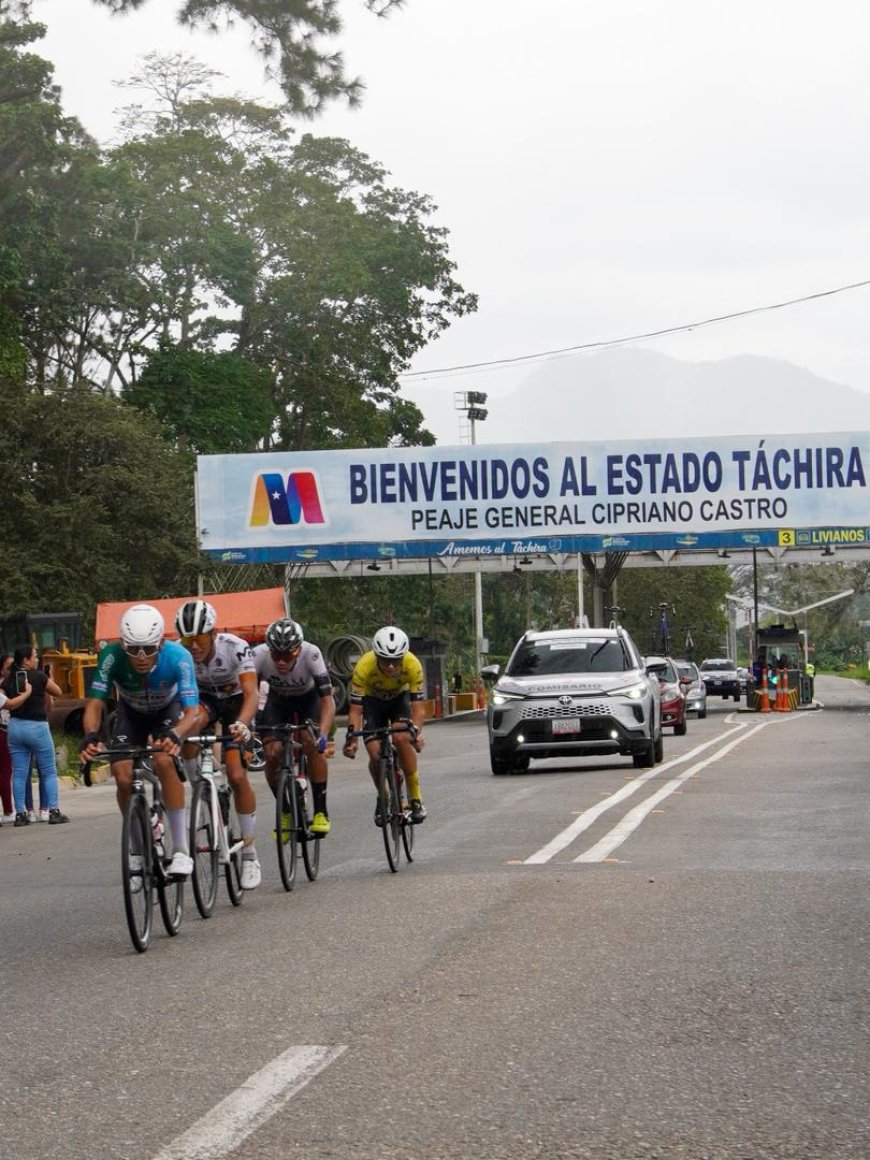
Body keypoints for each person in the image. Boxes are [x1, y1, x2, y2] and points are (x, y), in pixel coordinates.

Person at [79, 604, 200, 878]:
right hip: (130, 713)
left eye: (148, 649)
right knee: (122, 775)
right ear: (123, 645)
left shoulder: (178, 656)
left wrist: (176, 733)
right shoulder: (111, 656)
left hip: (166, 712)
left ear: (160, 642)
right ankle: (137, 848)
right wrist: (90, 735)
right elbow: (95, 703)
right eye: (133, 649)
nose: (141, 657)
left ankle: (181, 850)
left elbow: (192, 710)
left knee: (163, 760)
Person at [175, 599, 262, 890]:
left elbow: (251, 693)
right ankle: (199, 784)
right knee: (189, 726)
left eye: (200, 638)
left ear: (212, 633)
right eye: (189, 639)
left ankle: (249, 853)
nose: (194, 646)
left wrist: (242, 723)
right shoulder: (179, 651)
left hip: (236, 702)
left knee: (237, 774)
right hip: (204, 701)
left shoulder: (234, 647)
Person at [252, 618, 335, 836]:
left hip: (309, 701)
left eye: (287, 655)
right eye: (276, 655)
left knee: (311, 742)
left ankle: (321, 811)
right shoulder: (258, 655)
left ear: (297, 651)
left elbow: (327, 701)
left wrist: (323, 735)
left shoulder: (311, 653)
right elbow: (249, 694)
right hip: (277, 702)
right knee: (271, 753)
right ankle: (286, 810)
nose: (280, 661)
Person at [343, 626, 428, 824]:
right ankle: (384, 795)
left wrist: (414, 733)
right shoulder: (364, 667)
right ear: (376, 656)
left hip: (399, 701)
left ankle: (415, 798)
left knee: (401, 737)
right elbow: (355, 711)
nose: (391, 666)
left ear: (403, 656)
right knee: (374, 754)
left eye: (396, 661)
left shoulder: (413, 665)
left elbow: (419, 710)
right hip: (372, 704)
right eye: (385, 660)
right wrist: (352, 740)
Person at [2, 644, 68, 826]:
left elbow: (4, 698)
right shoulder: (38, 676)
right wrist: (48, 678)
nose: (37, 659)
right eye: (34, 656)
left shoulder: (7, 680)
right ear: (26, 660)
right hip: (37, 727)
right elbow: (58, 692)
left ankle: (21, 814)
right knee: (48, 771)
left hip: (15, 728)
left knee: (19, 773)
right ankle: (53, 810)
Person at [0, 653, 35, 824]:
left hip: (10, 730)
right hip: (4, 731)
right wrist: (28, 693)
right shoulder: (4, 689)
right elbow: (11, 705)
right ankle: (10, 810)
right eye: (8, 668)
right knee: (7, 772)